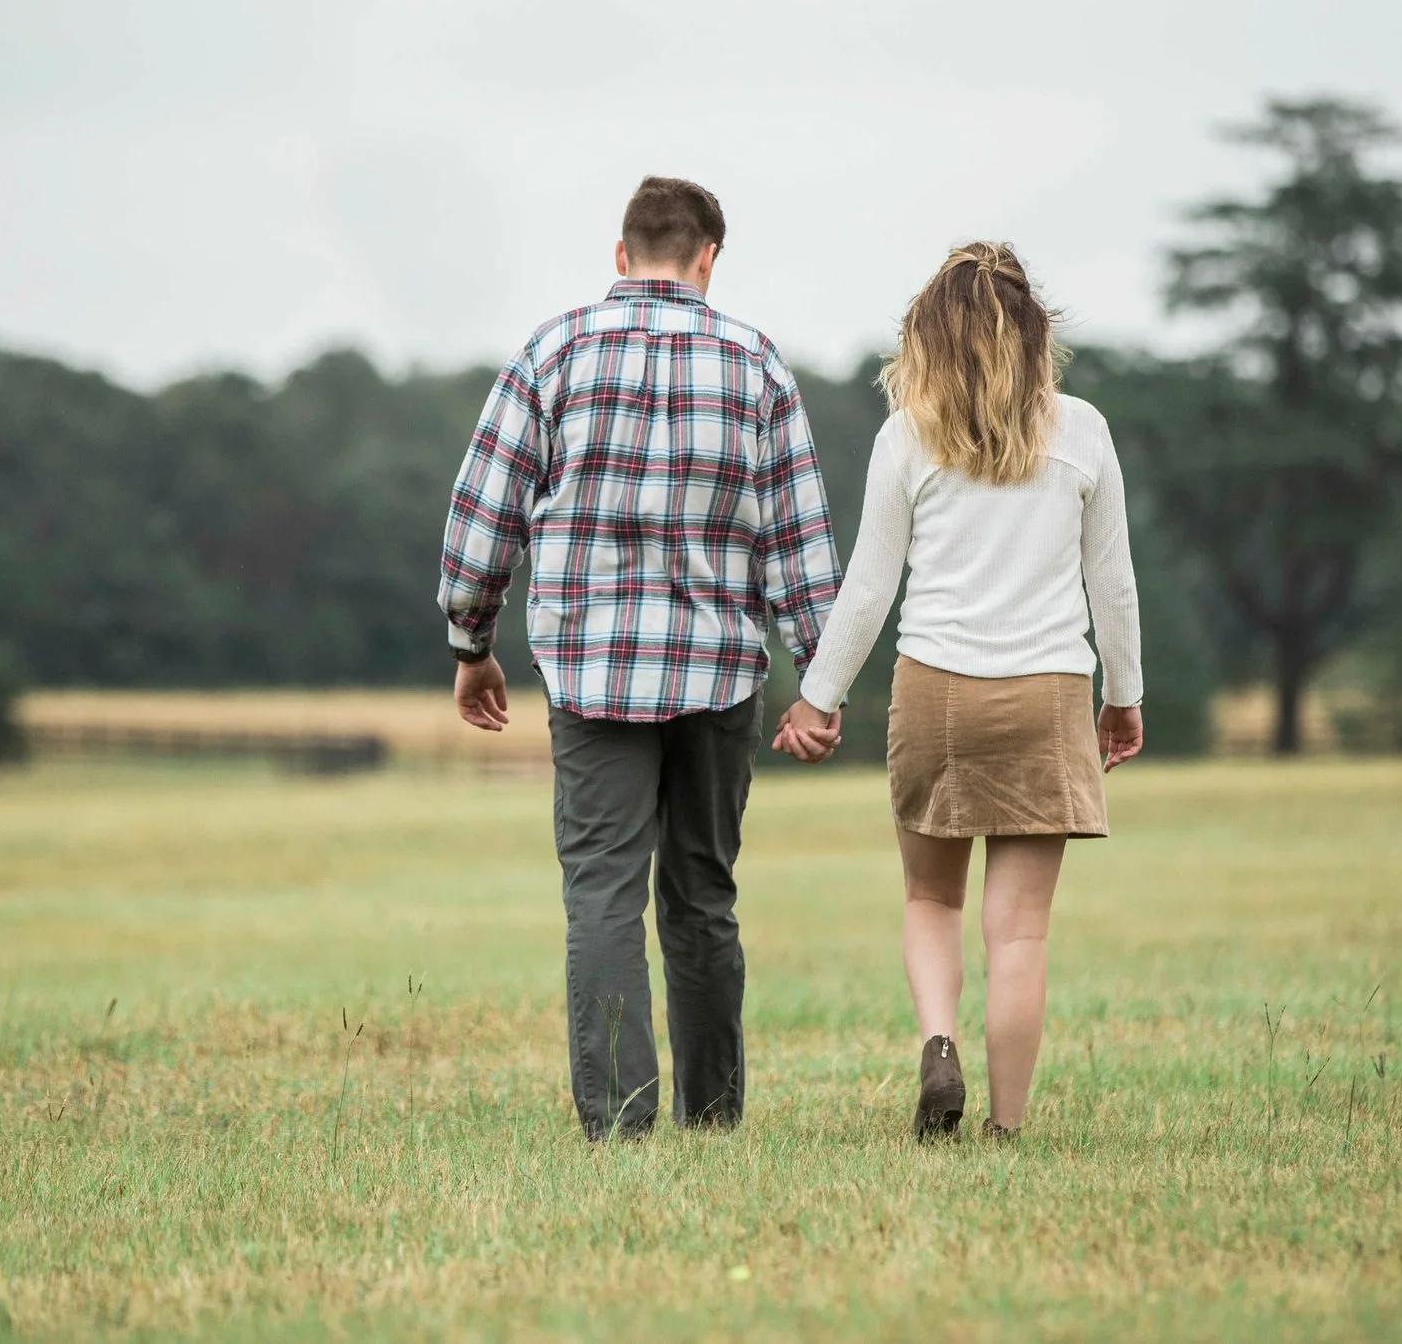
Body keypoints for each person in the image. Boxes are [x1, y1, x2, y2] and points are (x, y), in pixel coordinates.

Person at [439, 175, 844, 1141]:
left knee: (603, 892)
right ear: (709, 259)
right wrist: (818, 680)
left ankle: (620, 1122)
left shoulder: (553, 352)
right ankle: (712, 1119)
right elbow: (801, 542)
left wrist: (472, 640)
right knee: (703, 894)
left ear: (622, 256)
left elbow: (482, 516)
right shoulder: (756, 365)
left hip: (591, 674)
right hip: (717, 675)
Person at [774, 242, 1144, 1140]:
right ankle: (1006, 1126)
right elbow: (1114, 583)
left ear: (928, 340)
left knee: (930, 899)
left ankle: (939, 1042)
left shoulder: (907, 435)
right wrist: (1124, 693)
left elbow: (869, 586)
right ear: (1034, 333)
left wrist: (818, 696)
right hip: (1049, 689)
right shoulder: (1084, 431)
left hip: (935, 688)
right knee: (1018, 933)